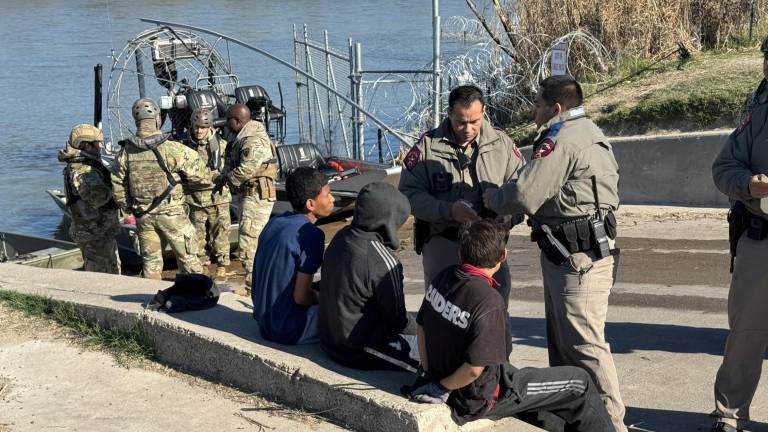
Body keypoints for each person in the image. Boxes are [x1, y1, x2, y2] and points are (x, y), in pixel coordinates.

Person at [483, 75, 625, 431]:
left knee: (584, 344)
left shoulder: (561, 140)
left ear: (555, 107)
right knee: (564, 345)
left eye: (538, 103)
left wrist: (492, 199)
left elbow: (526, 193)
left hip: (578, 259)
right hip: (569, 253)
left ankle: (610, 423)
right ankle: (578, 418)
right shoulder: (584, 129)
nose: (534, 109)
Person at [409, 220, 612, 431]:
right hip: (479, 397)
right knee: (579, 383)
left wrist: (430, 372)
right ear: (503, 256)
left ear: (461, 254)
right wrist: (442, 387)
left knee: (549, 412)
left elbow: (421, 326)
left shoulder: (445, 276)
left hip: (450, 377)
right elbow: (473, 369)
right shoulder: (489, 302)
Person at [398, 84, 525, 310]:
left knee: (494, 309)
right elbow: (408, 194)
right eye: (461, 122)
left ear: (484, 112)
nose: (467, 128)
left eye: (474, 122)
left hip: (490, 247)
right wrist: (448, 211)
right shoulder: (427, 147)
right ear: (449, 114)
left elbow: (523, 186)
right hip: (444, 242)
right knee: (443, 310)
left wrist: (508, 213)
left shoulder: (501, 144)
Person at [709, 38, 768, 432]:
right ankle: (730, 415)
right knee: (746, 332)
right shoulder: (759, 107)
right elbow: (724, 166)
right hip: (759, 237)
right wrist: (748, 184)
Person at [318, 182, 418, 370]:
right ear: (389, 220)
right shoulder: (384, 262)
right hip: (358, 351)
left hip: (329, 340)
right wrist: (424, 337)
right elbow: (398, 320)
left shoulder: (341, 237)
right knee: (427, 362)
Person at [112, 98, 212, 279]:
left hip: (143, 216)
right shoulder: (172, 148)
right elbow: (202, 176)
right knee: (189, 259)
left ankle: (150, 300)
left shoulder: (125, 152)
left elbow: (118, 185)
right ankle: (198, 298)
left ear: (136, 122)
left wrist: (129, 209)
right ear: (158, 119)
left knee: (151, 263)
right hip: (172, 214)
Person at [251, 167, 334, 345]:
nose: (332, 199)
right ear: (311, 204)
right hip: (289, 329)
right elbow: (301, 297)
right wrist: (324, 298)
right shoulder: (311, 235)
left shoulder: (274, 222)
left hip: (264, 323)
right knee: (352, 313)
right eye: (328, 195)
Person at [219, 104, 278, 296]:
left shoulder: (252, 141)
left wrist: (226, 180)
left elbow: (247, 169)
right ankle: (257, 284)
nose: (226, 125)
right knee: (252, 240)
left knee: (248, 242)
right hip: (251, 194)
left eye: (228, 120)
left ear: (237, 121)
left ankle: (255, 289)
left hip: (256, 195)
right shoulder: (246, 135)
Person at [58, 124, 121, 274]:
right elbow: (99, 198)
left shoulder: (86, 165)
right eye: (98, 143)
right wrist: (119, 185)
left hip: (100, 231)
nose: (101, 147)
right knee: (102, 276)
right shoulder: (83, 170)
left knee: (111, 270)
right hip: (94, 233)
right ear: (85, 145)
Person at [184, 108, 231, 281]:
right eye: (196, 127)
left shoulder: (221, 145)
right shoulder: (185, 146)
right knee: (197, 236)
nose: (199, 131)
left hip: (217, 197)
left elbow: (228, 169)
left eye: (202, 128)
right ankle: (203, 265)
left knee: (221, 233)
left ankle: (222, 266)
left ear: (209, 127)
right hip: (195, 199)